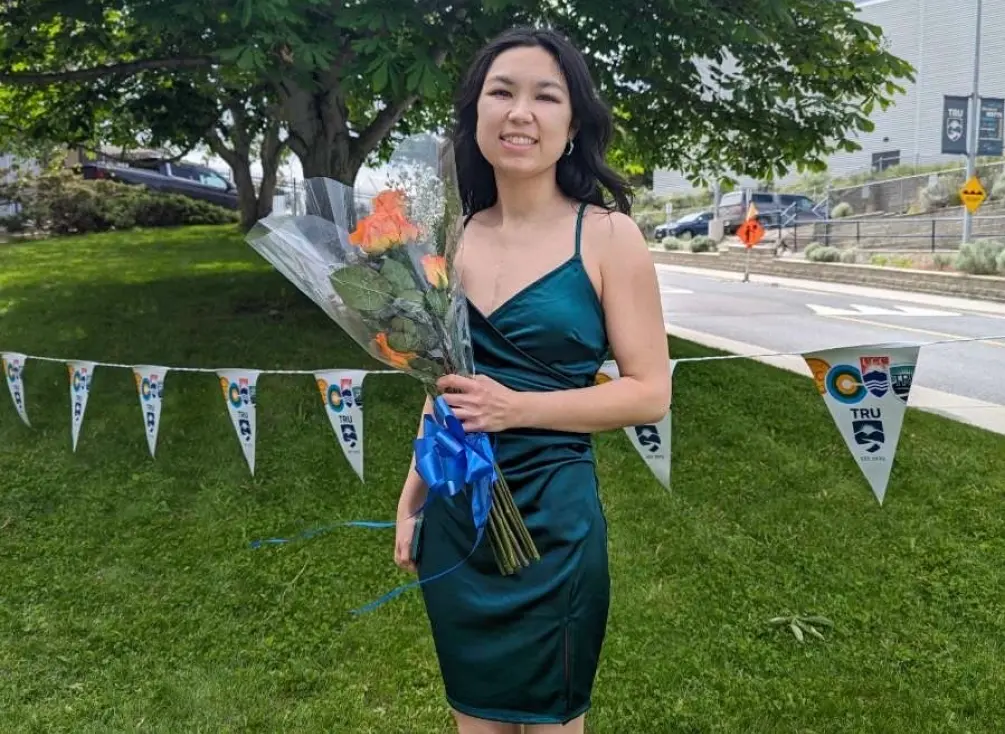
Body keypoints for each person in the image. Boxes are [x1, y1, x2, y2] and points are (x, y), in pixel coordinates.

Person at [393, 26, 671, 734]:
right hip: (457, 518)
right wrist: (411, 497)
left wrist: (516, 408)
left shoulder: (608, 236)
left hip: (555, 524)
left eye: (545, 97)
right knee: (474, 721)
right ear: (475, 114)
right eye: (501, 92)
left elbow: (649, 392)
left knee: (553, 721)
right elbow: (443, 389)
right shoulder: (447, 240)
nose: (520, 112)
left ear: (572, 124)